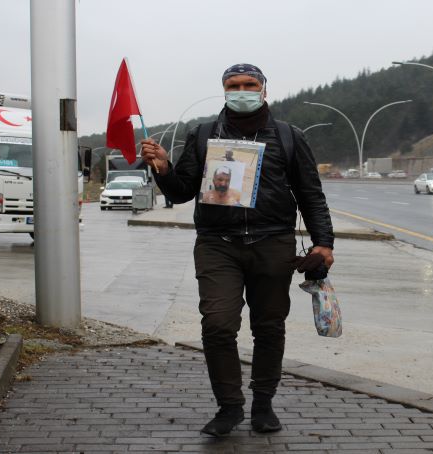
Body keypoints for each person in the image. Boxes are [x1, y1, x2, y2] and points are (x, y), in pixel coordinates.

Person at [140, 63, 334, 437]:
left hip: (273, 243)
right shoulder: (203, 135)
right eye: (233, 85)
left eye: (249, 84)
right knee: (217, 324)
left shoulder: (288, 136)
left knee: (269, 326)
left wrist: (324, 242)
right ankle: (229, 407)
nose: (241, 91)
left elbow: (311, 194)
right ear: (224, 90)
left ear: (264, 90)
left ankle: (263, 404)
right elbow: (182, 190)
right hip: (218, 244)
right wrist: (163, 168)